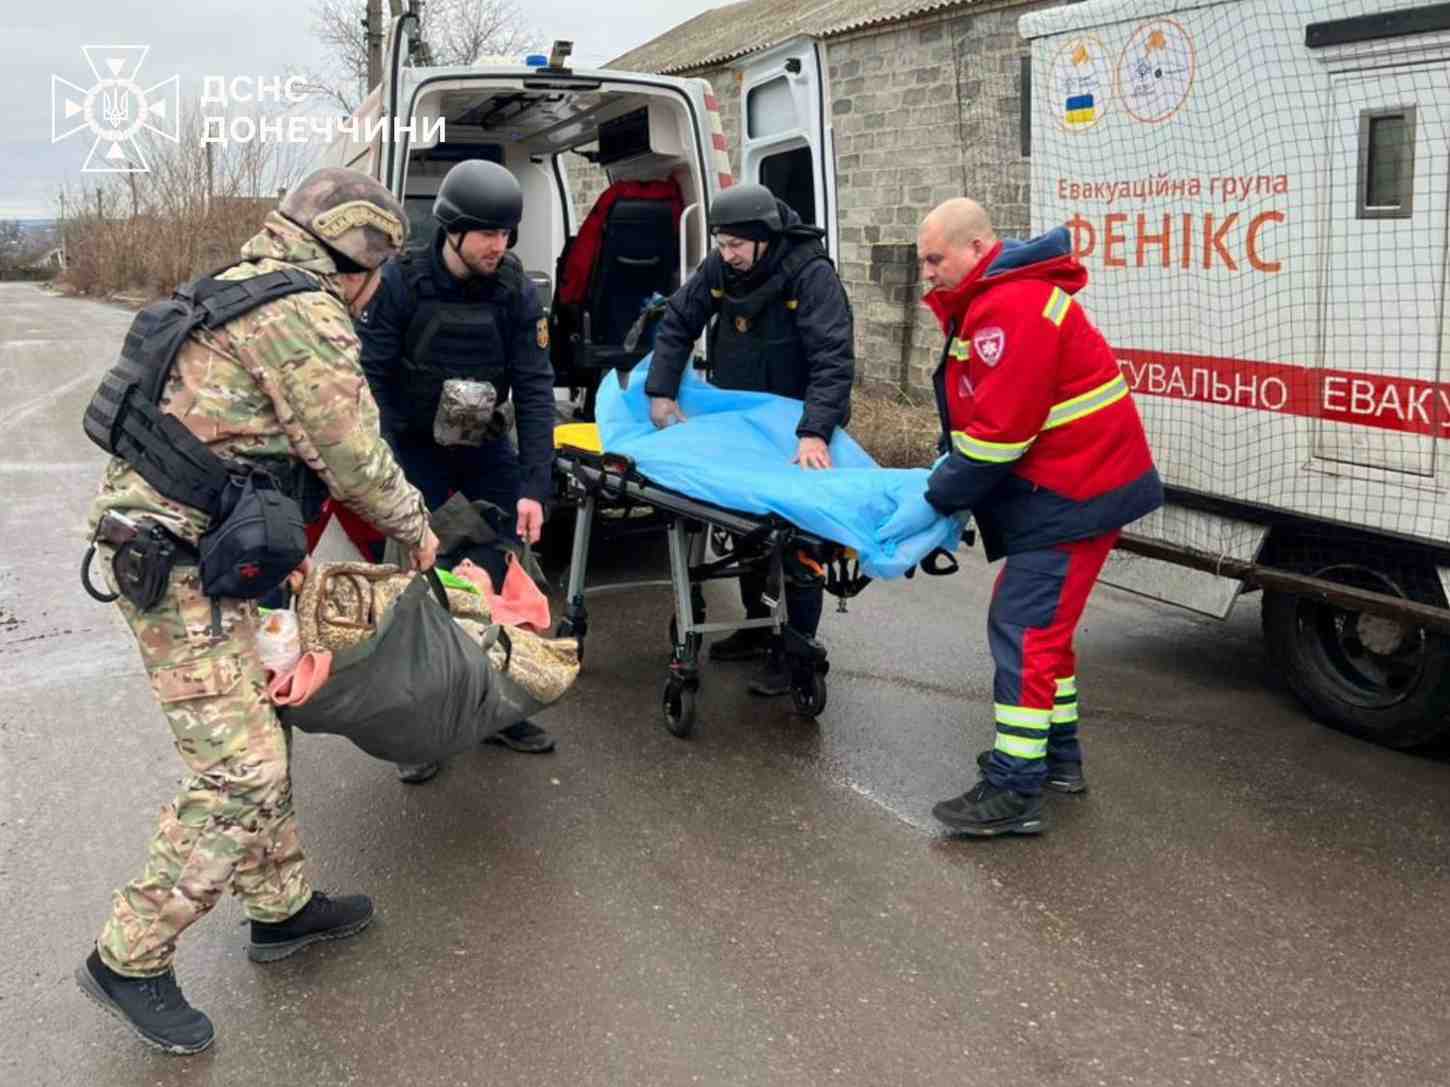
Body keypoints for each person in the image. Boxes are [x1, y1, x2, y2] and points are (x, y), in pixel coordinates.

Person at [76, 167, 440, 1054]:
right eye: (376, 274)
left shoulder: (231, 288)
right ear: (356, 258)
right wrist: (416, 529)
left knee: (268, 726)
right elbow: (350, 455)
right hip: (182, 573)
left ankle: (281, 909)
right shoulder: (302, 313)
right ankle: (130, 955)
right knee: (239, 771)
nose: (373, 294)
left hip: (221, 558)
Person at [886, 198, 1163, 837]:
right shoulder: (1006, 298)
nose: (925, 273)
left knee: (1025, 629)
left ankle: (1014, 790)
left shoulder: (1009, 308)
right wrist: (947, 471)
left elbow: (998, 437)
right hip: (1073, 486)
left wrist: (936, 496)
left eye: (935, 258)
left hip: (1073, 494)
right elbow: (982, 415)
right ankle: (1056, 762)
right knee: (1046, 633)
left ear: (978, 248)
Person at [359, 159, 558, 781]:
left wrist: (534, 486)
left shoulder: (513, 289)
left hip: (485, 446)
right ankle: (422, 729)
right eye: (486, 234)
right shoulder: (401, 284)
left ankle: (497, 710)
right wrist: (388, 470)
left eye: (506, 233)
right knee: (430, 586)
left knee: (497, 577)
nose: (499, 245)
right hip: (416, 446)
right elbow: (371, 380)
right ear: (452, 230)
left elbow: (532, 385)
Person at [645, 183, 854, 696]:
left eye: (737, 244)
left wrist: (814, 433)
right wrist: (661, 392)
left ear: (764, 238)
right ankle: (757, 629)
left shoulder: (811, 275)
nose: (726, 254)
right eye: (721, 242)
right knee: (746, 531)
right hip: (744, 420)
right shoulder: (721, 268)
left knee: (796, 539)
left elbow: (833, 358)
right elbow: (677, 321)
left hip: (798, 427)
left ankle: (795, 647)